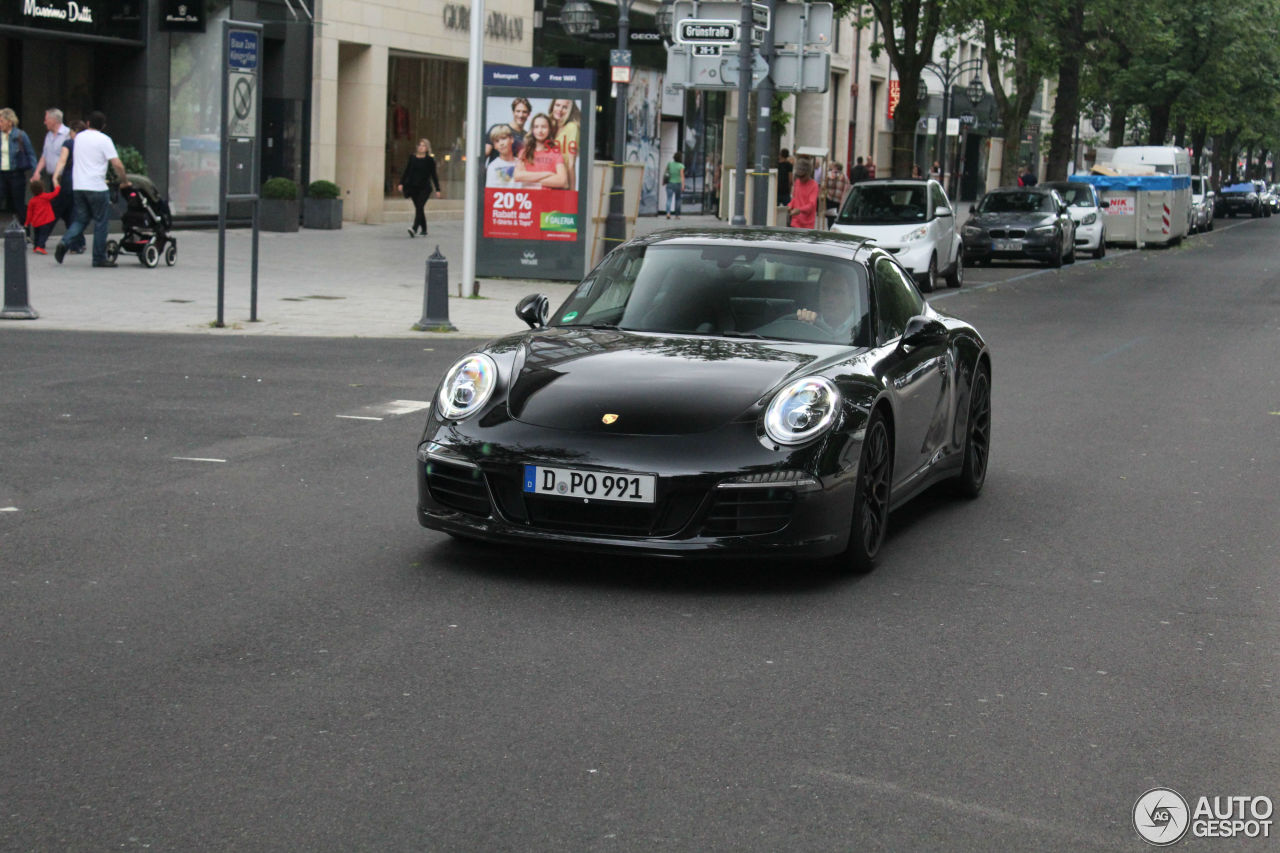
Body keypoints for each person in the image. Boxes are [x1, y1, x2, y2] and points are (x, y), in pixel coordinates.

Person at [54, 110, 128, 268]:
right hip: (97, 187)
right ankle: (98, 258)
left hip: (79, 186)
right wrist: (124, 180)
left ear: (87, 123)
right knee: (101, 222)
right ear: (103, 126)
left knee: (81, 219)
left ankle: (64, 242)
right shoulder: (104, 140)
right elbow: (117, 164)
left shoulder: (79, 137)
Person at [796, 267, 864, 342]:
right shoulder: (808, 322)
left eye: (838, 292)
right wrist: (802, 326)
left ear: (852, 299)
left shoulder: (865, 329)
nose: (829, 299)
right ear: (818, 294)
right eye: (825, 290)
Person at [50, 120, 86, 254]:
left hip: (69, 181)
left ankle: (74, 243)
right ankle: (78, 243)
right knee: (76, 213)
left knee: (70, 213)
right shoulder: (87, 145)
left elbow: (62, 161)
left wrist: (55, 176)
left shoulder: (69, 143)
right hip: (83, 181)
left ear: (74, 132)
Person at [397, 137, 442, 237]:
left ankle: (414, 228)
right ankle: (424, 229)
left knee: (420, 207)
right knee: (419, 208)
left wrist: (438, 189)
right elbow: (407, 171)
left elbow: (434, 175)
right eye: (420, 145)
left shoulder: (430, 160)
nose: (421, 147)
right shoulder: (412, 158)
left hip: (425, 188)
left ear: (427, 148)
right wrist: (401, 183)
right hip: (413, 188)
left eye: (423, 146)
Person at [0, 108, 38, 221]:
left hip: (16, 174)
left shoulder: (20, 135)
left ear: (9, 122)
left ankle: (25, 229)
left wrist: (35, 172)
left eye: (1, 121)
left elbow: (31, 154)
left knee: (18, 204)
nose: (0, 124)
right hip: (1, 174)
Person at [512, 113, 568, 190]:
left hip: (549, 199)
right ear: (532, 129)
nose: (540, 131)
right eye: (536, 127)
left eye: (544, 127)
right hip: (528, 198)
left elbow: (562, 181)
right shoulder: (524, 152)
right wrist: (548, 174)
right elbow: (517, 176)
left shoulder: (555, 153)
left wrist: (528, 178)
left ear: (549, 130)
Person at [485, 97, 531, 164]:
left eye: (524, 112)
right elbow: (485, 154)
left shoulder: (527, 137)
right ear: (513, 112)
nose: (521, 115)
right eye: (518, 111)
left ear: (528, 114)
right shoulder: (498, 129)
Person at [34, 108, 70, 191]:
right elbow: (44, 155)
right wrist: (37, 172)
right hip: (51, 177)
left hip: (63, 177)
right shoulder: (48, 135)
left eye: (46, 120)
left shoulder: (67, 134)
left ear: (54, 120)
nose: (44, 122)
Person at [550, 99, 581, 192]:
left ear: (570, 110)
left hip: (562, 184)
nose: (559, 109)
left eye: (565, 107)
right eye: (557, 105)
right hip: (547, 181)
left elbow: (571, 164)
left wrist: (572, 192)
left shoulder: (572, 127)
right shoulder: (550, 125)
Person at [24, 178, 59, 254]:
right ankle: (40, 247)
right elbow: (54, 194)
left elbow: (29, 213)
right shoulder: (45, 197)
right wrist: (57, 187)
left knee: (37, 235)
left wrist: (27, 223)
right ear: (42, 188)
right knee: (43, 235)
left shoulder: (32, 201)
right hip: (45, 221)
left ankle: (35, 247)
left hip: (36, 222)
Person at [786, 155, 819, 229]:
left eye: (802, 176)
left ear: (808, 173)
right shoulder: (797, 182)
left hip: (807, 224)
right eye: (798, 176)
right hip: (795, 222)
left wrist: (799, 210)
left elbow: (811, 204)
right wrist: (789, 206)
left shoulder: (814, 185)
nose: (800, 179)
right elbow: (795, 198)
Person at [822, 160, 849, 228]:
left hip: (832, 200)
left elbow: (824, 186)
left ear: (836, 168)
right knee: (834, 218)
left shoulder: (831, 176)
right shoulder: (844, 177)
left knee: (831, 219)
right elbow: (846, 190)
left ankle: (830, 229)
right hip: (837, 201)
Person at [664, 151, 686, 219]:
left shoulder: (670, 164)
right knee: (678, 199)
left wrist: (664, 181)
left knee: (669, 199)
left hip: (670, 184)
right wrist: (683, 185)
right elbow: (682, 176)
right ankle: (677, 215)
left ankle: (668, 213)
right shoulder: (681, 166)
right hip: (678, 184)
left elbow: (666, 173)